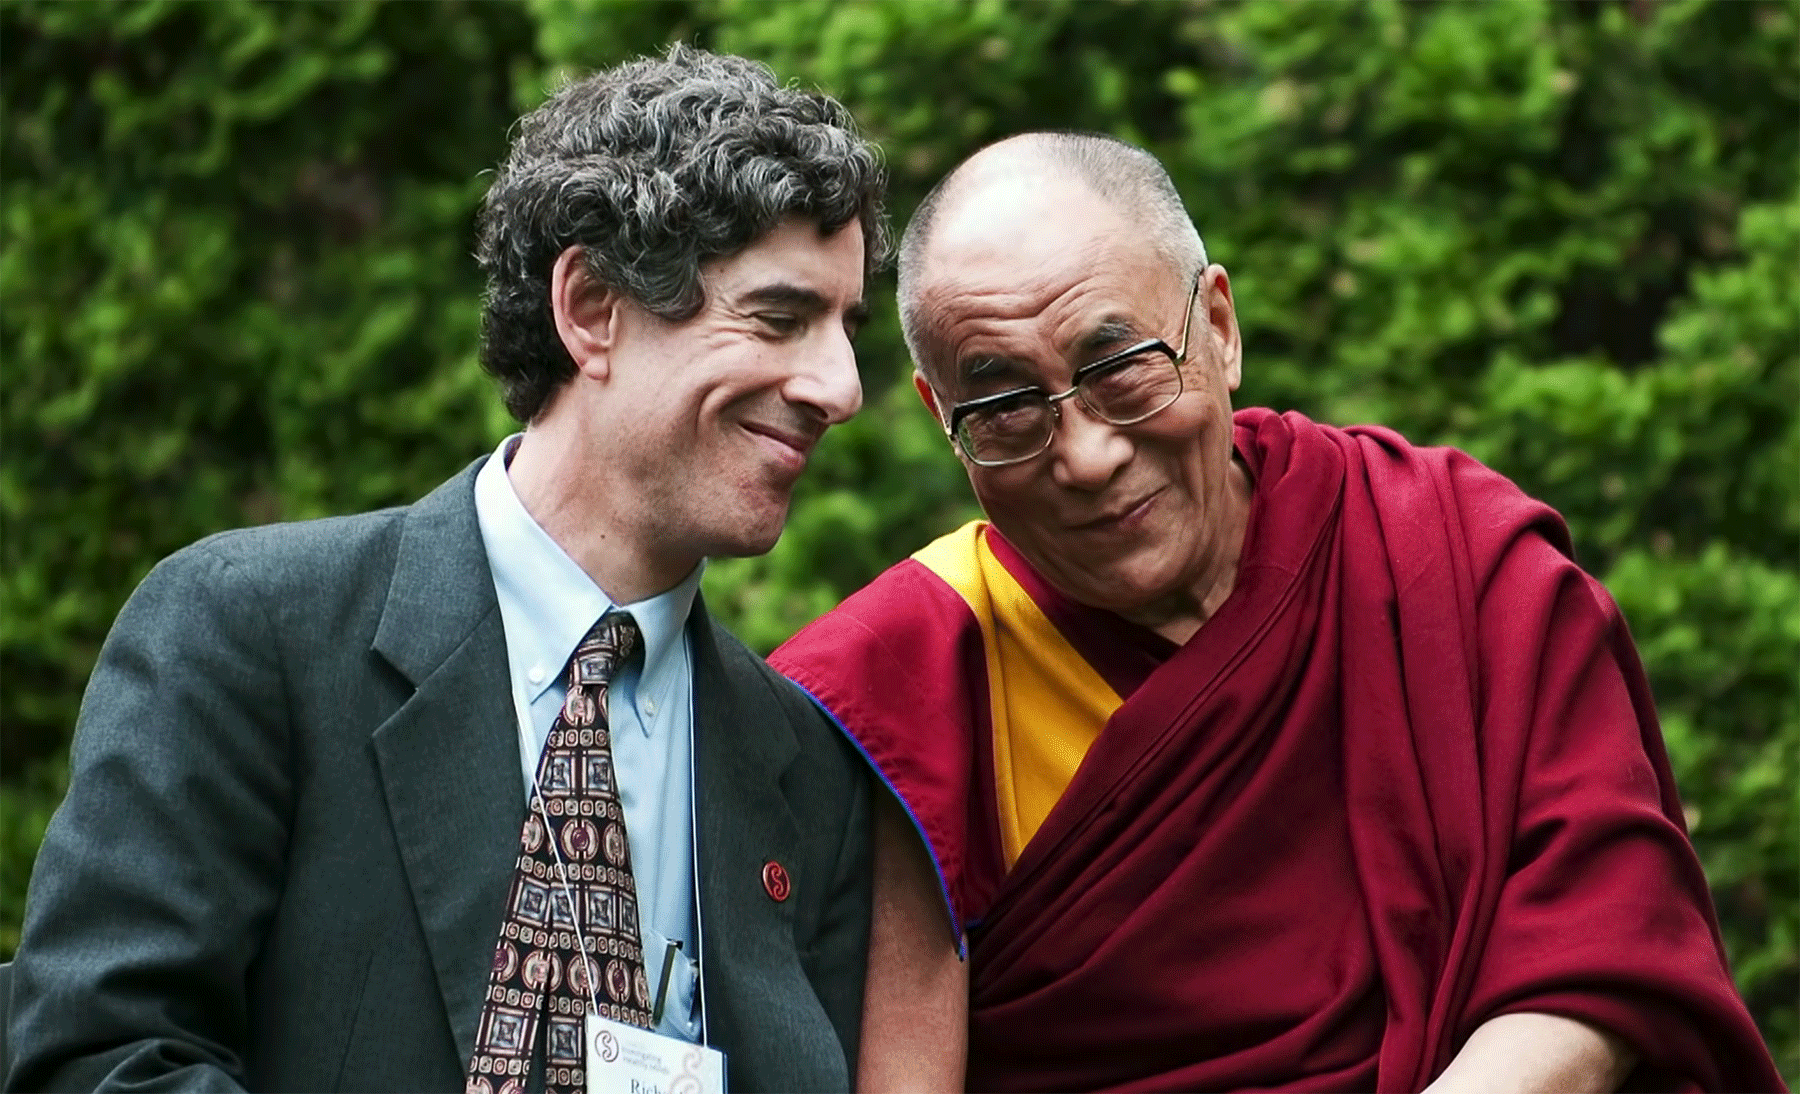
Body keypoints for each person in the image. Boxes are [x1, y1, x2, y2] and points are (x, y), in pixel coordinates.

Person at [770, 132, 1785, 1092]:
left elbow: (1606, 945)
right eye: (1006, 409)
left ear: (1217, 325)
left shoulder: (1442, 551)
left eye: (1121, 371)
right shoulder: (896, 681)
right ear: (943, 418)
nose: (1084, 455)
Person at [8, 45, 887, 1093]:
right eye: (781, 318)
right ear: (593, 309)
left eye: (847, 330)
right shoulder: (247, 633)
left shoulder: (808, 769)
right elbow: (97, 1057)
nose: (839, 386)